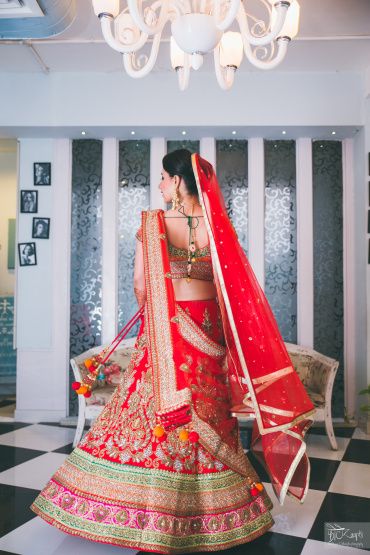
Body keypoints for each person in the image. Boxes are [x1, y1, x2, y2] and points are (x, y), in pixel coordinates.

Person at [31, 150, 315, 553]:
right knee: (211, 413)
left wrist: (160, 319)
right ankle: (223, 513)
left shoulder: (155, 224)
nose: (161, 185)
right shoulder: (216, 227)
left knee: (153, 414)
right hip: (210, 331)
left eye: (165, 178)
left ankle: (152, 510)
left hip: (170, 329)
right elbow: (230, 289)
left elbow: (143, 286)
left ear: (180, 181)